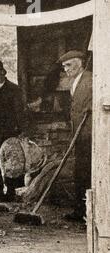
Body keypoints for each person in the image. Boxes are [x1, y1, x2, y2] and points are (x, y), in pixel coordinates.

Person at [0, 59, 28, 201]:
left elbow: (19, 112)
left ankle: (11, 191)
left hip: (7, 131)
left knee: (10, 161)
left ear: (3, 72)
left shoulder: (13, 89)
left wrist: (20, 131)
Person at [57, 50, 92, 222]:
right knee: (80, 172)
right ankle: (80, 211)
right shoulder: (75, 82)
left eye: (69, 65)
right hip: (78, 133)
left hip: (89, 134)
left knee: (87, 172)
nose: (66, 69)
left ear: (79, 63)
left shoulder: (91, 80)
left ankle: (87, 212)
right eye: (64, 66)